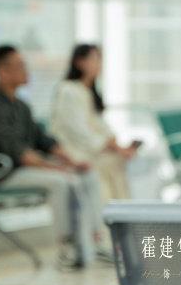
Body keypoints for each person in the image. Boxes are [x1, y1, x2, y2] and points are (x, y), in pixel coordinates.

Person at [0, 44, 105, 269]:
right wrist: (58, 168)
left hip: (24, 169)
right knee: (62, 182)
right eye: (20, 66)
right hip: (4, 174)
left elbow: (43, 140)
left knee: (87, 174)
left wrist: (71, 160)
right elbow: (21, 154)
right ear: (2, 71)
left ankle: (95, 239)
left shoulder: (20, 105)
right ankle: (67, 247)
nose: (26, 70)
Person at [50, 44, 136, 203]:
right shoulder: (68, 90)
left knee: (116, 159)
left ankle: (120, 210)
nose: (98, 64)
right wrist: (110, 145)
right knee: (109, 162)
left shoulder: (87, 91)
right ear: (79, 62)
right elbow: (78, 130)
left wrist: (116, 144)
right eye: (94, 59)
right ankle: (107, 212)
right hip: (74, 149)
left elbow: (99, 125)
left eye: (99, 60)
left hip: (91, 147)